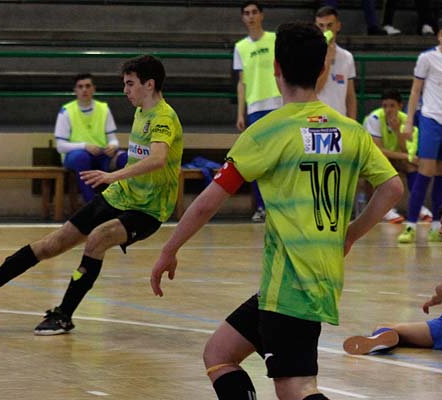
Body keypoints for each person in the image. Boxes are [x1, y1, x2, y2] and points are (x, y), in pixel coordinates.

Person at [151, 22, 403, 400]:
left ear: (275, 69)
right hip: (308, 281)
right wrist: (350, 232)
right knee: (219, 353)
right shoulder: (351, 131)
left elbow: (206, 203)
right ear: (322, 70)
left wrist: (169, 249)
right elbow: (393, 188)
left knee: (297, 388)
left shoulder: (265, 132)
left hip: (290, 284)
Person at [0, 55, 183, 336]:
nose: (125, 90)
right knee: (53, 243)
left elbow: (159, 159)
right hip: (120, 195)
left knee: (98, 239)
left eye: (130, 84)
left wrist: (111, 175)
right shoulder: (140, 112)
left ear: (149, 85)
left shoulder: (163, 118)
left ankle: (64, 315)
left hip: (148, 209)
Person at [344, 199, 442, 355]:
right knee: (388, 328)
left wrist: (440, 295)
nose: (440, 230)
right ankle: (381, 339)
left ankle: (381, 337)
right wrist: (436, 298)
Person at [397, 14, 442, 244]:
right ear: (438, 35)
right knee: (425, 172)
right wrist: (409, 121)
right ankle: (410, 225)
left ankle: (439, 225)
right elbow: (416, 90)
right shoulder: (426, 58)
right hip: (431, 119)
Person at [234, 0, 281, 223]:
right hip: (254, 109)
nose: (251, 16)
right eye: (246, 13)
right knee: (257, 161)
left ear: (262, 15)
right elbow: (241, 83)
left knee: (278, 159)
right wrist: (241, 113)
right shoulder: (240, 47)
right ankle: (262, 207)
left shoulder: (274, 39)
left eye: (254, 12)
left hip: (277, 105)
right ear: (243, 18)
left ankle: (279, 206)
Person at [54, 73, 126, 203]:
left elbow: (113, 138)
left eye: (88, 86)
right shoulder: (66, 111)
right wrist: (85, 146)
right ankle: (92, 206)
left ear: (94, 89)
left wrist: (113, 146)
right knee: (82, 157)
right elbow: (60, 146)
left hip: (102, 154)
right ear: (75, 90)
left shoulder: (103, 109)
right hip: (76, 156)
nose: (84, 90)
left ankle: (125, 204)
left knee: (125, 158)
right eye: (80, 86)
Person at [364, 88, 432, 223]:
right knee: (380, 165)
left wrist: (397, 131)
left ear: (400, 106)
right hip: (371, 159)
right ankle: (385, 209)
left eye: (392, 106)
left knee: (412, 166)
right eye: (384, 106)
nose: (388, 110)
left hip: (394, 158)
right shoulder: (375, 118)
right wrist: (405, 156)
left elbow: (406, 149)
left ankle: (416, 205)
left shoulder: (406, 120)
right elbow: (378, 151)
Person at [315, 6, 357, 121]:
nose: (325, 30)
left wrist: (353, 123)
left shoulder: (347, 57)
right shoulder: (309, 54)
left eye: (329, 25)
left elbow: (350, 95)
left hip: (339, 119)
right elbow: (315, 88)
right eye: (321, 26)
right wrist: (327, 59)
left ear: (338, 26)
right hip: (317, 120)